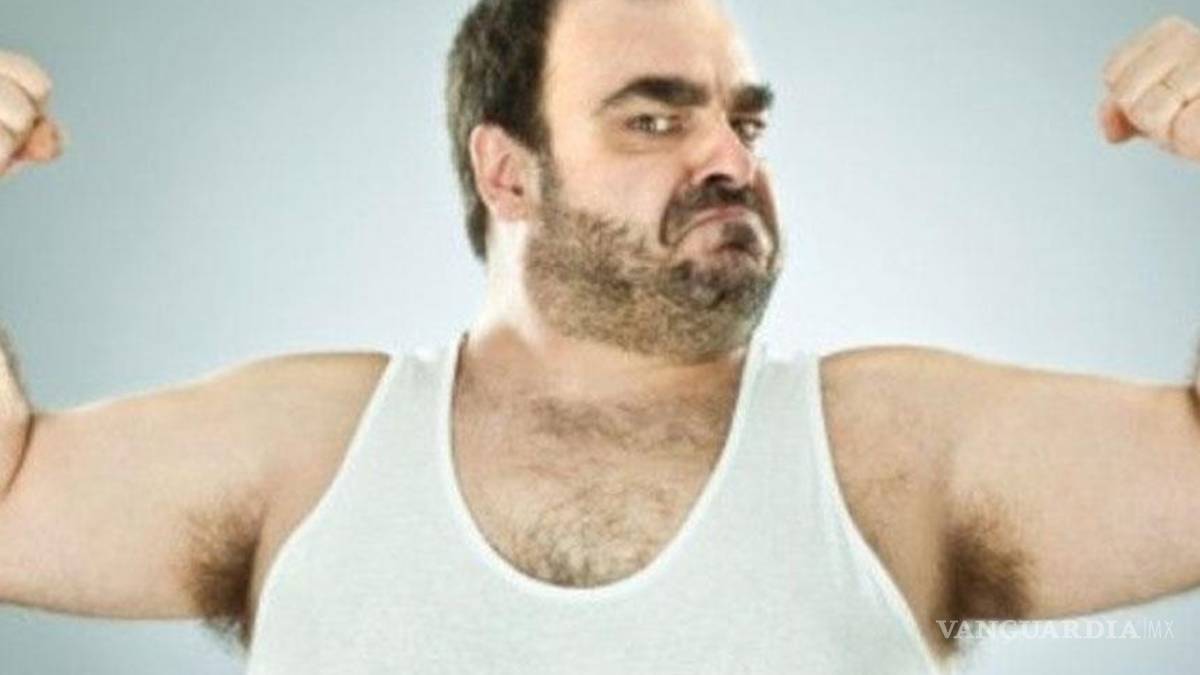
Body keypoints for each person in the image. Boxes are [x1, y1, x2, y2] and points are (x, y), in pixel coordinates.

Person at [1, 1, 1198, 673]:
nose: (729, 159)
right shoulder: (305, 448)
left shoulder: (894, 449)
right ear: (508, 172)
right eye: (654, 119)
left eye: (744, 122)